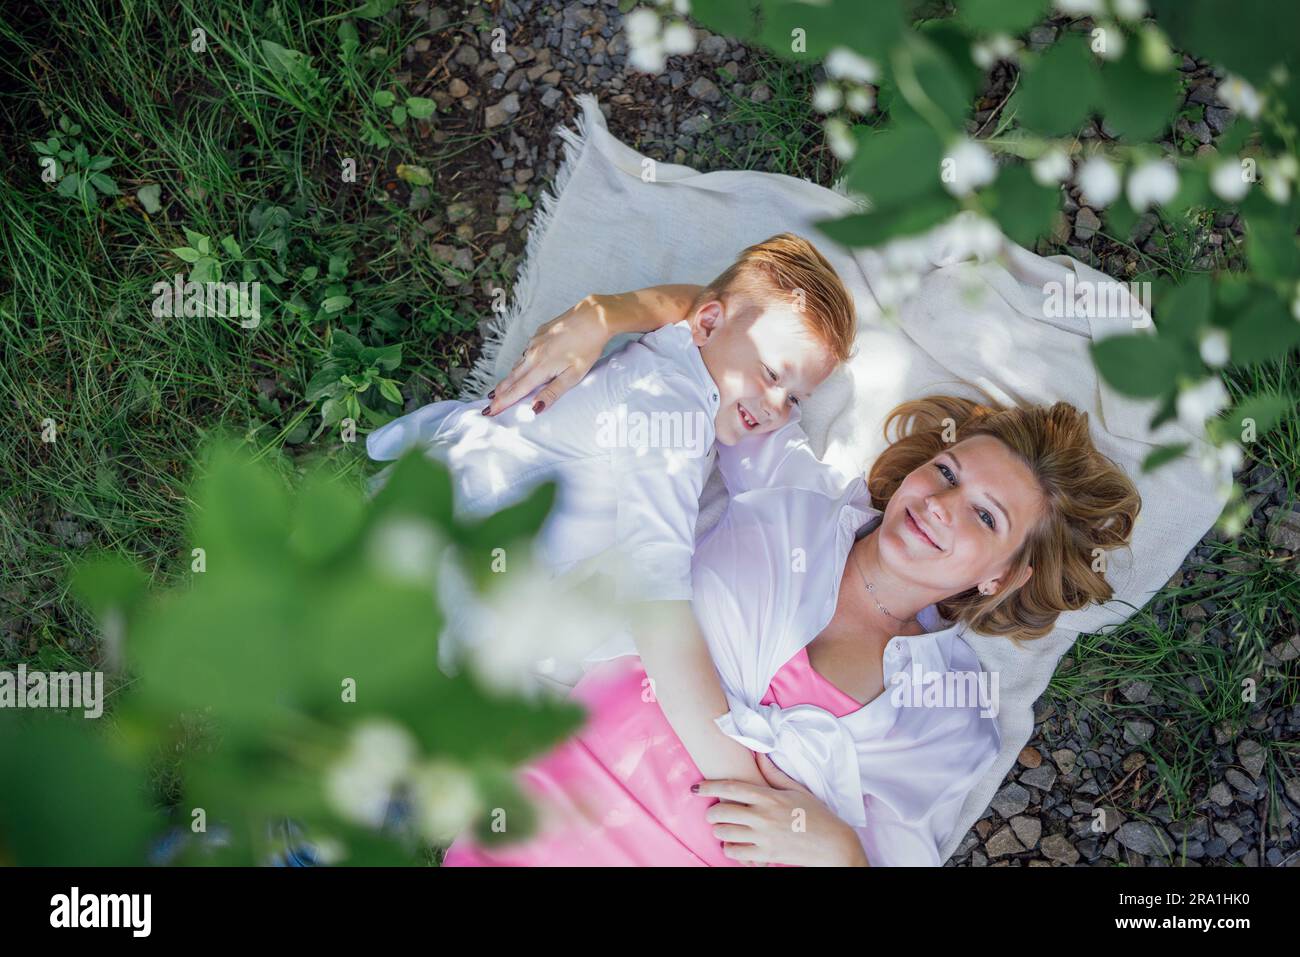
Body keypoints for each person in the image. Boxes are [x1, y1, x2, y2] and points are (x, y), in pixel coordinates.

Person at [440, 291, 1141, 867]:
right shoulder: (797, 492)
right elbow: (737, 336)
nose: (938, 505)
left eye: (984, 517)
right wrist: (610, 313)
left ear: (1003, 576)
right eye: (946, 474)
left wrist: (838, 849)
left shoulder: (953, 716)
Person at [368, 235, 856, 789]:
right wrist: (735, 775)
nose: (776, 410)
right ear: (708, 323)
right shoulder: (671, 410)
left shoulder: (684, 354)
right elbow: (660, 596)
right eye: (773, 374)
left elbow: (716, 308)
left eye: (795, 399)